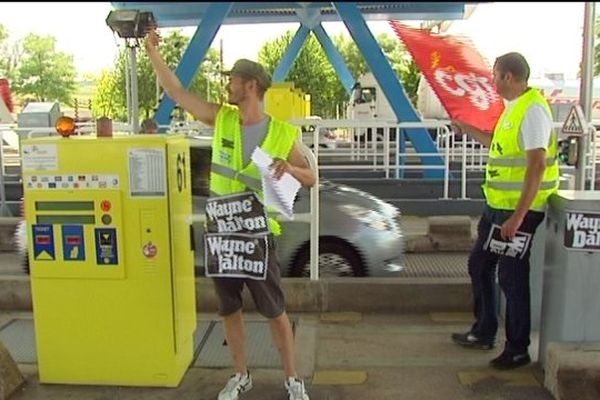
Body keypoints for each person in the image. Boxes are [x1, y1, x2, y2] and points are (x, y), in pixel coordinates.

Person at [145, 28, 315, 400]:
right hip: (221, 233)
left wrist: (291, 168)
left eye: (233, 80)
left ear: (250, 85)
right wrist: (153, 52)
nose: (228, 86)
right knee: (229, 309)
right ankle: (241, 375)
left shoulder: (283, 132)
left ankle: (292, 378)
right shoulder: (221, 118)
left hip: (257, 235)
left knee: (274, 310)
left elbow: (311, 178)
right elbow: (176, 92)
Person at [450, 52, 559, 370]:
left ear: (509, 77)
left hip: (516, 213)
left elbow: (536, 165)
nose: (492, 81)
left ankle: (517, 347)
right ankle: (484, 331)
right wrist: (465, 128)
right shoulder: (514, 110)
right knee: (479, 265)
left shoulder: (533, 110)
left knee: (511, 278)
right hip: (497, 208)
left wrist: (518, 218)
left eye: (495, 75)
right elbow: (494, 143)